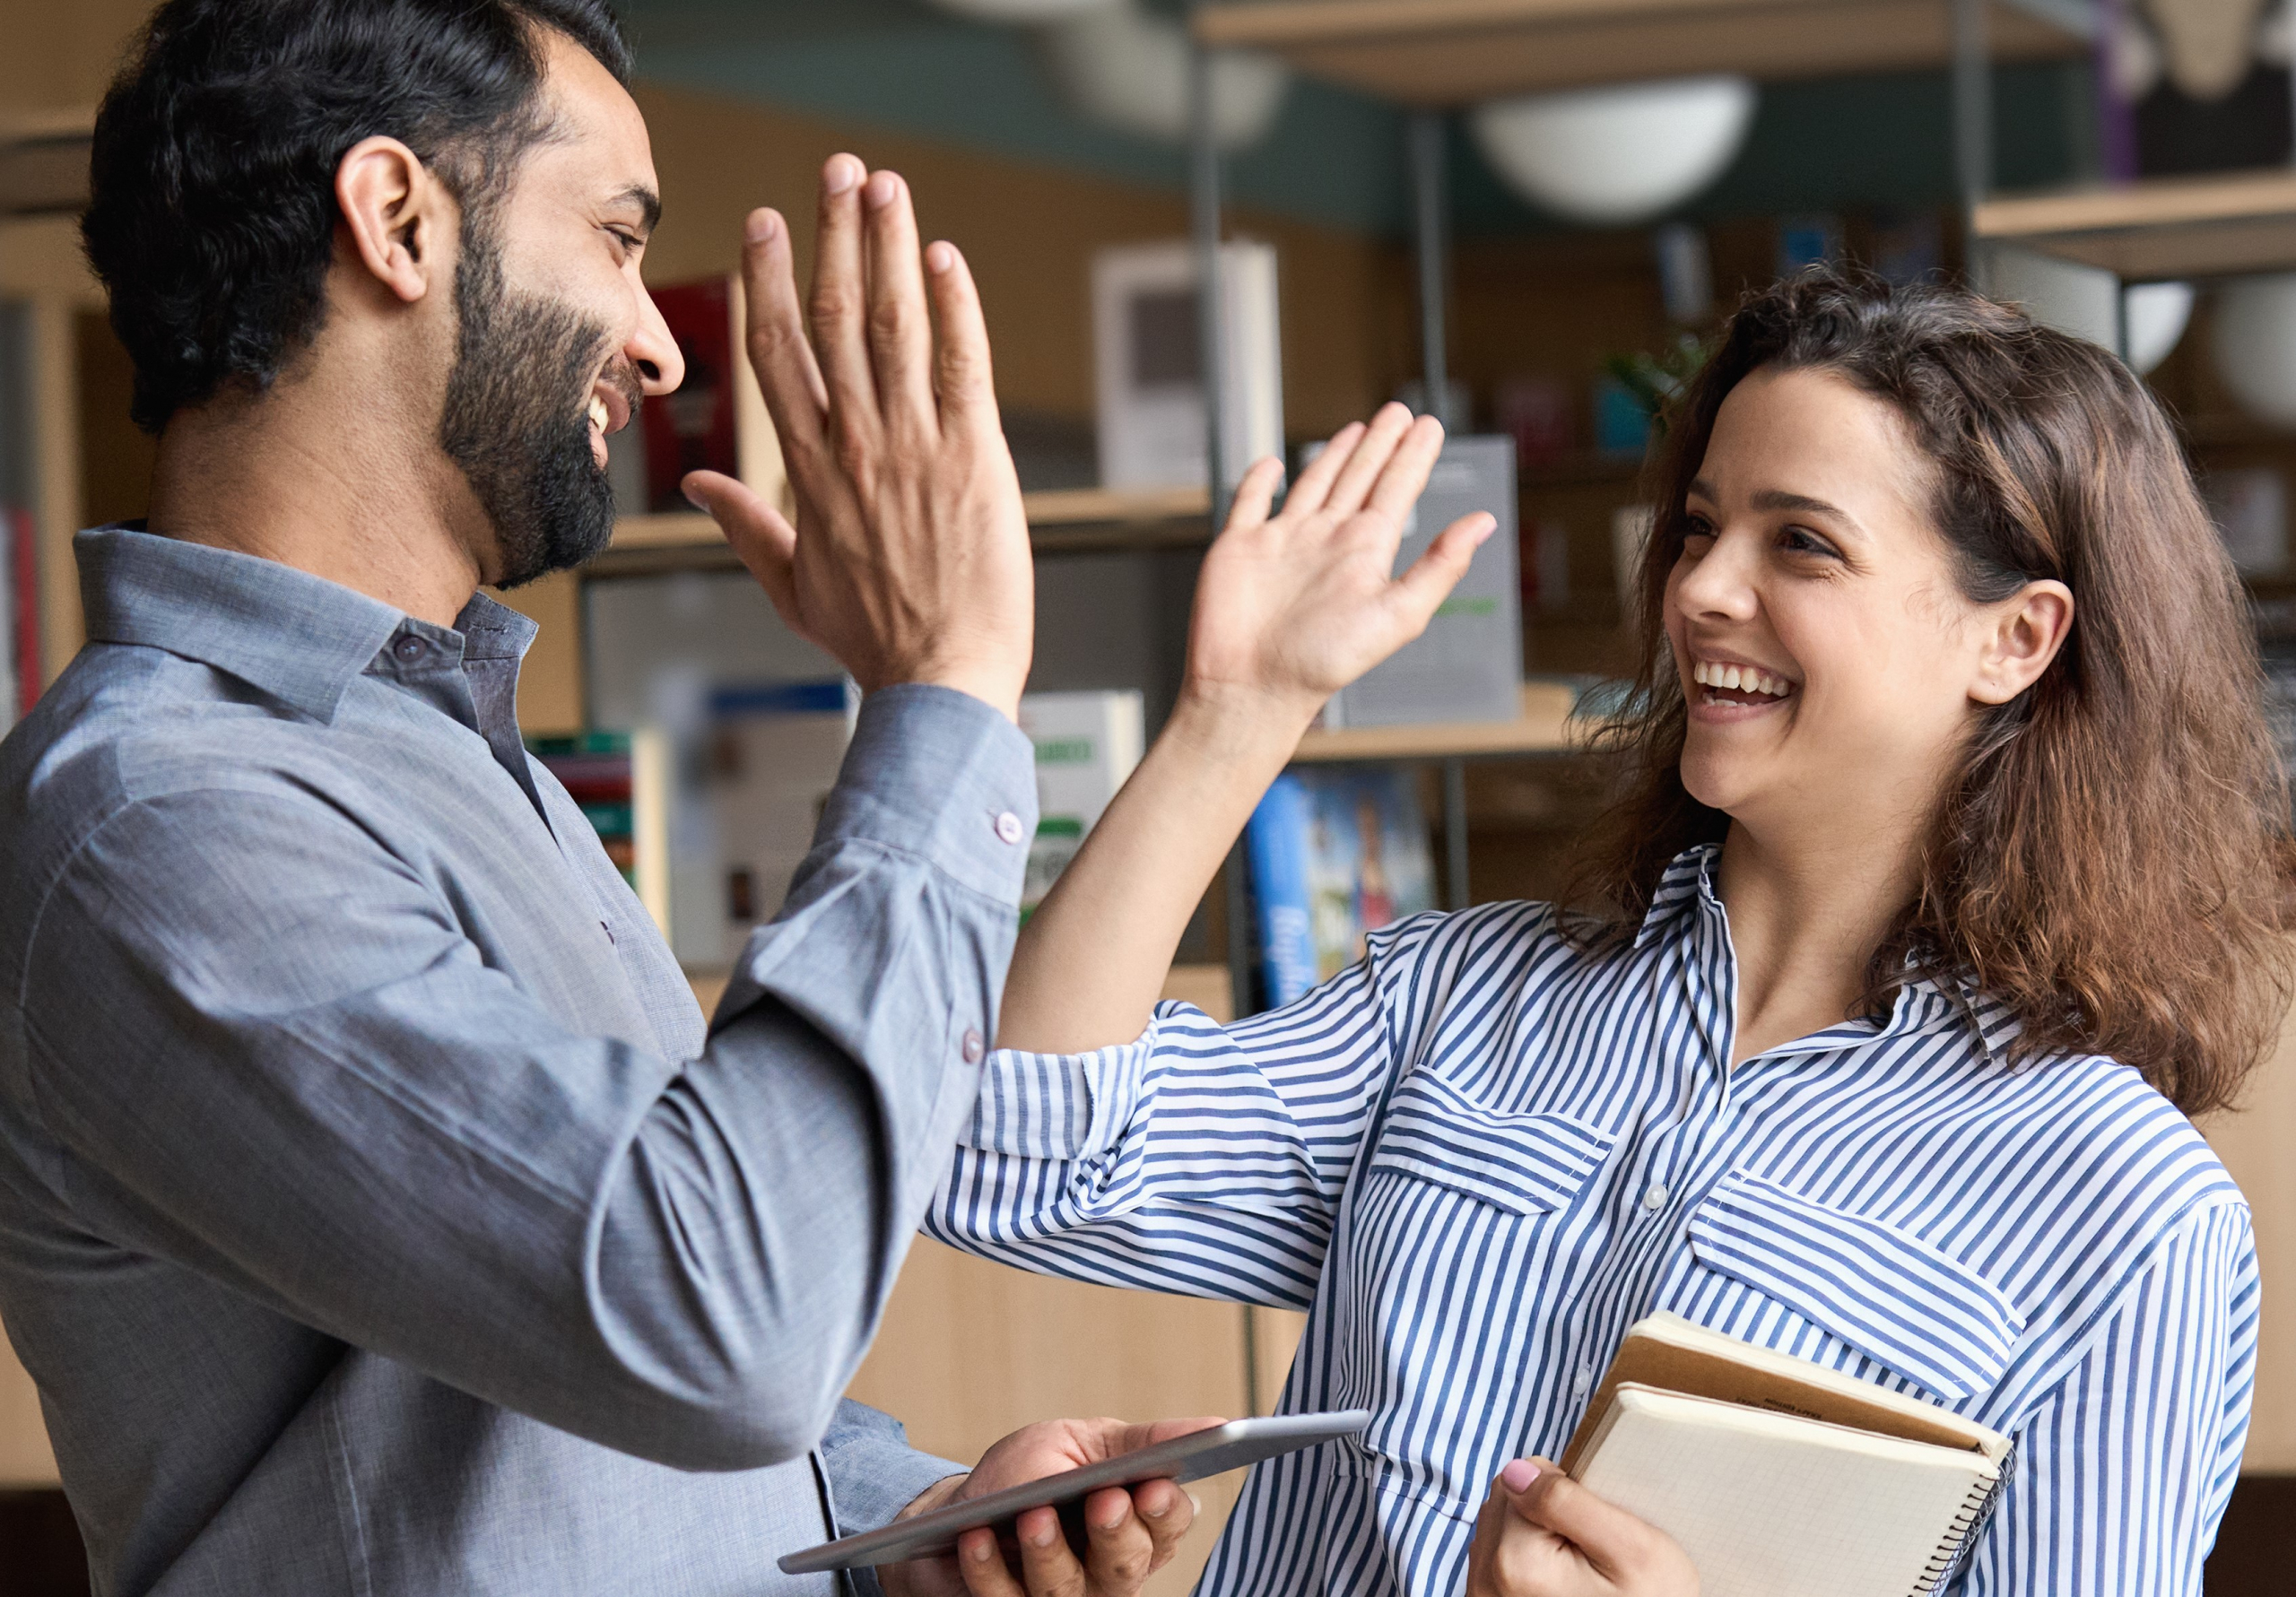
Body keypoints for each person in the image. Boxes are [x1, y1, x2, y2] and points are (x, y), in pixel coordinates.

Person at [0, 3, 1484, 1593]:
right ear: (397, 220)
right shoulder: (159, 824)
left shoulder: (446, 756)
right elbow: (722, 1316)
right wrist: (943, 686)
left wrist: (900, 1528)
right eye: (618, 239)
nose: (659, 343)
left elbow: (583, 1346)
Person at [926, 272, 2287, 1596]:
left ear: (2017, 638)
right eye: (1700, 527)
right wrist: (1235, 714)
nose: (1697, 589)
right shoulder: (1460, 996)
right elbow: (1015, 1154)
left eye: (1799, 541)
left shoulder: (2124, 1212)